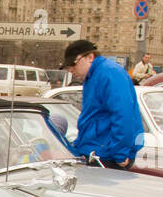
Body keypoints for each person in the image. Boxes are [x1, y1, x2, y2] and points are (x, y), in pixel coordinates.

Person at [61, 39, 144, 168]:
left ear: (90, 57)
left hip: (106, 155)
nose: (70, 69)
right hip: (97, 151)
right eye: (68, 66)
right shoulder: (93, 76)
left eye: (73, 63)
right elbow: (92, 117)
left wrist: (120, 153)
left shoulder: (109, 73)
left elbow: (123, 114)